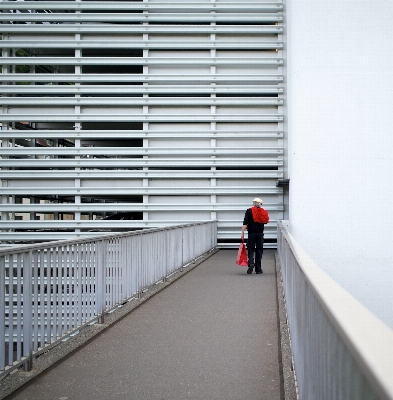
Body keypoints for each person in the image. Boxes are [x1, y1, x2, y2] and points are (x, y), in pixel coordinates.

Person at [241, 198, 269, 274]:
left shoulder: (249, 211)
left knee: (250, 249)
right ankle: (258, 269)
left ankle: (251, 262)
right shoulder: (264, 212)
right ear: (260, 204)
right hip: (260, 234)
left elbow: (245, 223)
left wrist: (242, 233)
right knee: (259, 250)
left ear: (253, 203)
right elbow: (266, 221)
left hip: (251, 234)